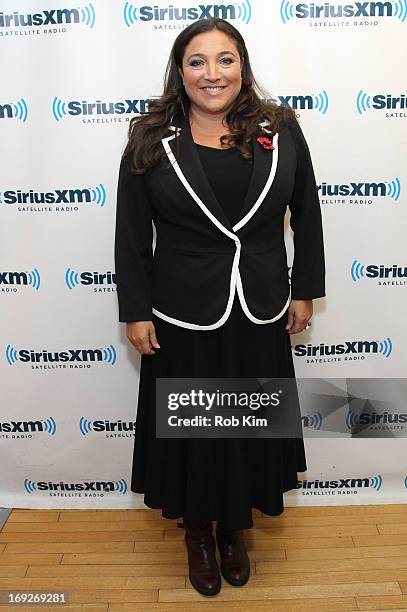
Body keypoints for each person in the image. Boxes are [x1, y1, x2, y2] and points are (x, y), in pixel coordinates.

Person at [114, 17, 325, 597]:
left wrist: (304, 288)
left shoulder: (281, 129)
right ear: (180, 72)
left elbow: (306, 211)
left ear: (242, 66)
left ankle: (236, 528)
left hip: (259, 305)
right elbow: (132, 234)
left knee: (248, 424)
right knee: (195, 427)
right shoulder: (150, 139)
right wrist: (136, 310)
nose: (213, 73)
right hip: (182, 311)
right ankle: (198, 532)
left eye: (225, 60)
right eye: (198, 61)